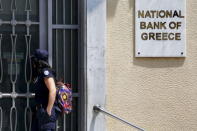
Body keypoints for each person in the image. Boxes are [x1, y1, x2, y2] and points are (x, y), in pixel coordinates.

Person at [31, 49, 60, 131]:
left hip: (46, 111)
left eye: (34, 60)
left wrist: (48, 110)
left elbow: (53, 90)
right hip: (40, 112)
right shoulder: (40, 73)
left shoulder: (46, 72)